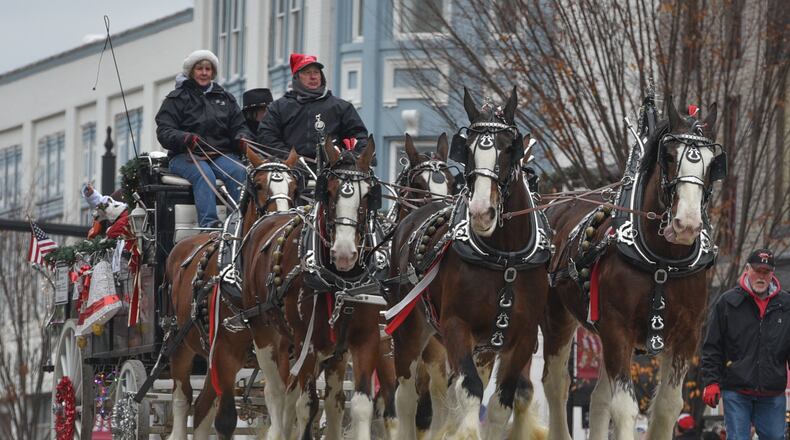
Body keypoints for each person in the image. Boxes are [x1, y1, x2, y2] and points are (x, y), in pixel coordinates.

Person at [155, 49, 253, 227]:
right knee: (204, 174)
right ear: (191, 71)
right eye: (200, 68)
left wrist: (242, 138)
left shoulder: (226, 98)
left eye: (208, 69)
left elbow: (239, 126)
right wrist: (185, 138)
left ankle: (237, 223)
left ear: (213, 72)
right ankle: (209, 224)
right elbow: (164, 130)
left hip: (219, 155)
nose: (204, 73)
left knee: (240, 172)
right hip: (185, 156)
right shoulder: (176, 98)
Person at [701, 248, 789, 440]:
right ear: (747, 269)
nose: (761, 276)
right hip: (736, 390)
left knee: (775, 437)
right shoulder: (727, 303)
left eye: (766, 272)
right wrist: (711, 382)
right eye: (757, 270)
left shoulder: (786, 305)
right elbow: (712, 347)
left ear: (772, 273)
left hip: (773, 391)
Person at [258, 53, 368, 161]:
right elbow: (267, 136)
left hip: (332, 170)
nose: (313, 77)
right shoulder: (278, 107)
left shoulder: (341, 107)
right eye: (307, 73)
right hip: (290, 169)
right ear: (297, 77)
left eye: (316, 72)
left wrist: (354, 156)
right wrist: (289, 158)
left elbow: (358, 135)